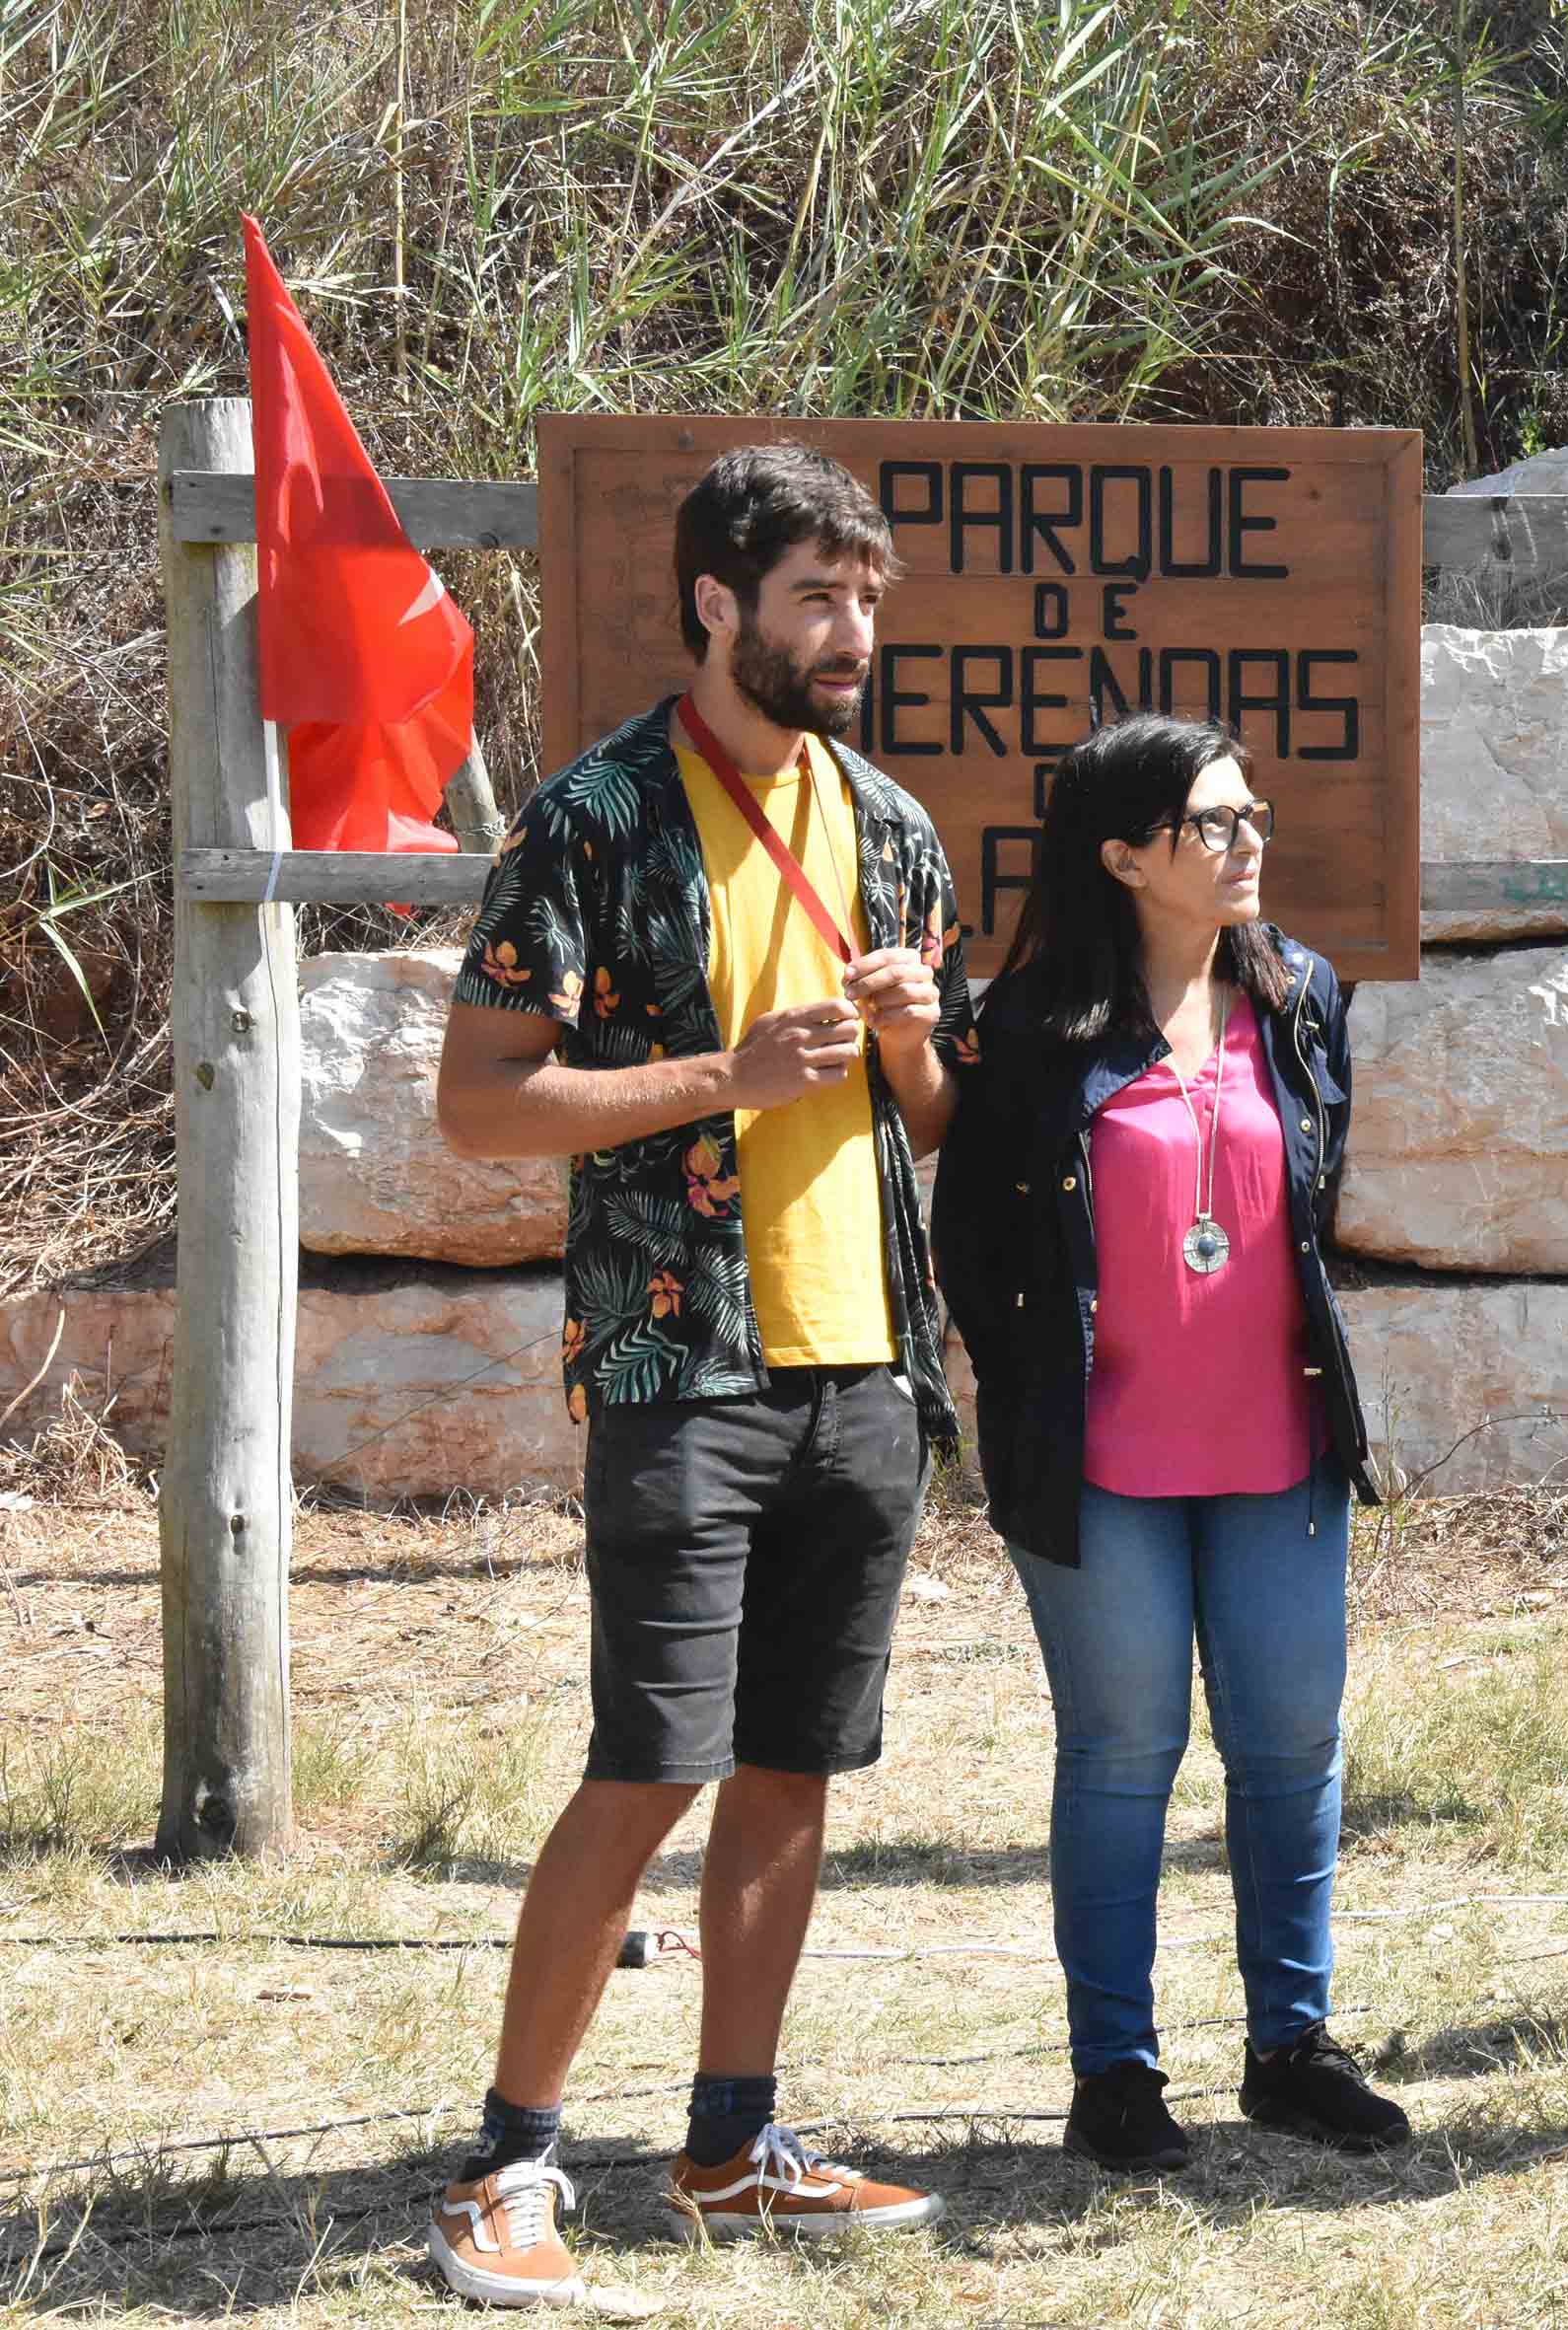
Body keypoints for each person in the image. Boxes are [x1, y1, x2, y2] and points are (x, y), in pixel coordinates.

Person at [427, 443, 965, 2305]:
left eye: (868, 599)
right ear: (718, 602)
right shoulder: (592, 819)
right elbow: (482, 1101)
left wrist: (912, 1047)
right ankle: (507, 2162)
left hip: (866, 1365)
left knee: (796, 1764)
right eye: (818, 598)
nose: (853, 632)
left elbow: (934, 1118)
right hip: (682, 1364)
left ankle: (735, 2146)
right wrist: (723, 1077)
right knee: (648, 1765)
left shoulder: (891, 824)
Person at [932, 712, 1407, 2172]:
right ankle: (1116, 2072)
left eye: (1252, 812)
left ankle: (1292, 2048)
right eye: (1212, 821)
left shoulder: (1300, 994)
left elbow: (1313, 1196)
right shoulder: (1029, 1030)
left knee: (1290, 1746)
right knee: (1123, 1751)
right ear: (1124, 857)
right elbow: (972, 1243)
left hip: (1279, 1442)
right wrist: (1035, 1390)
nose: (1247, 838)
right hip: (1100, 1463)